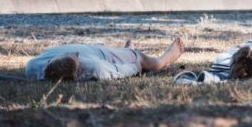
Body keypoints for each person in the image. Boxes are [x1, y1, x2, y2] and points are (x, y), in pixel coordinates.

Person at [25, 38, 185, 81]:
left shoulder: (32, 66)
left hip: (94, 49)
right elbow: (119, 71)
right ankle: (161, 61)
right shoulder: (94, 67)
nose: (75, 53)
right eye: (75, 56)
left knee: (127, 53)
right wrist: (137, 65)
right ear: (78, 69)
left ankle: (127, 51)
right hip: (105, 55)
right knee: (141, 58)